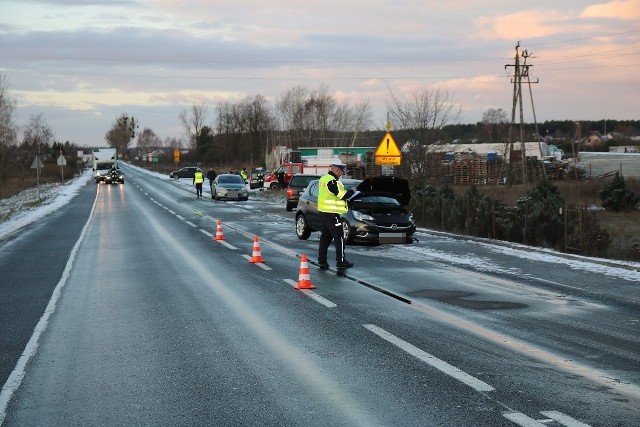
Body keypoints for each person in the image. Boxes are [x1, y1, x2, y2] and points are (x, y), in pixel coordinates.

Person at [317, 162, 359, 272]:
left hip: (323, 212)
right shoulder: (332, 181)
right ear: (337, 170)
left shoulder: (323, 179)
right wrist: (352, 191)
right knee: (339, 238)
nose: (341, 174)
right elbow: (342, 196)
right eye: (341, 172)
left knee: (325, 238)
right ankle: (341, 262)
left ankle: (322, 261)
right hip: (332, 214)